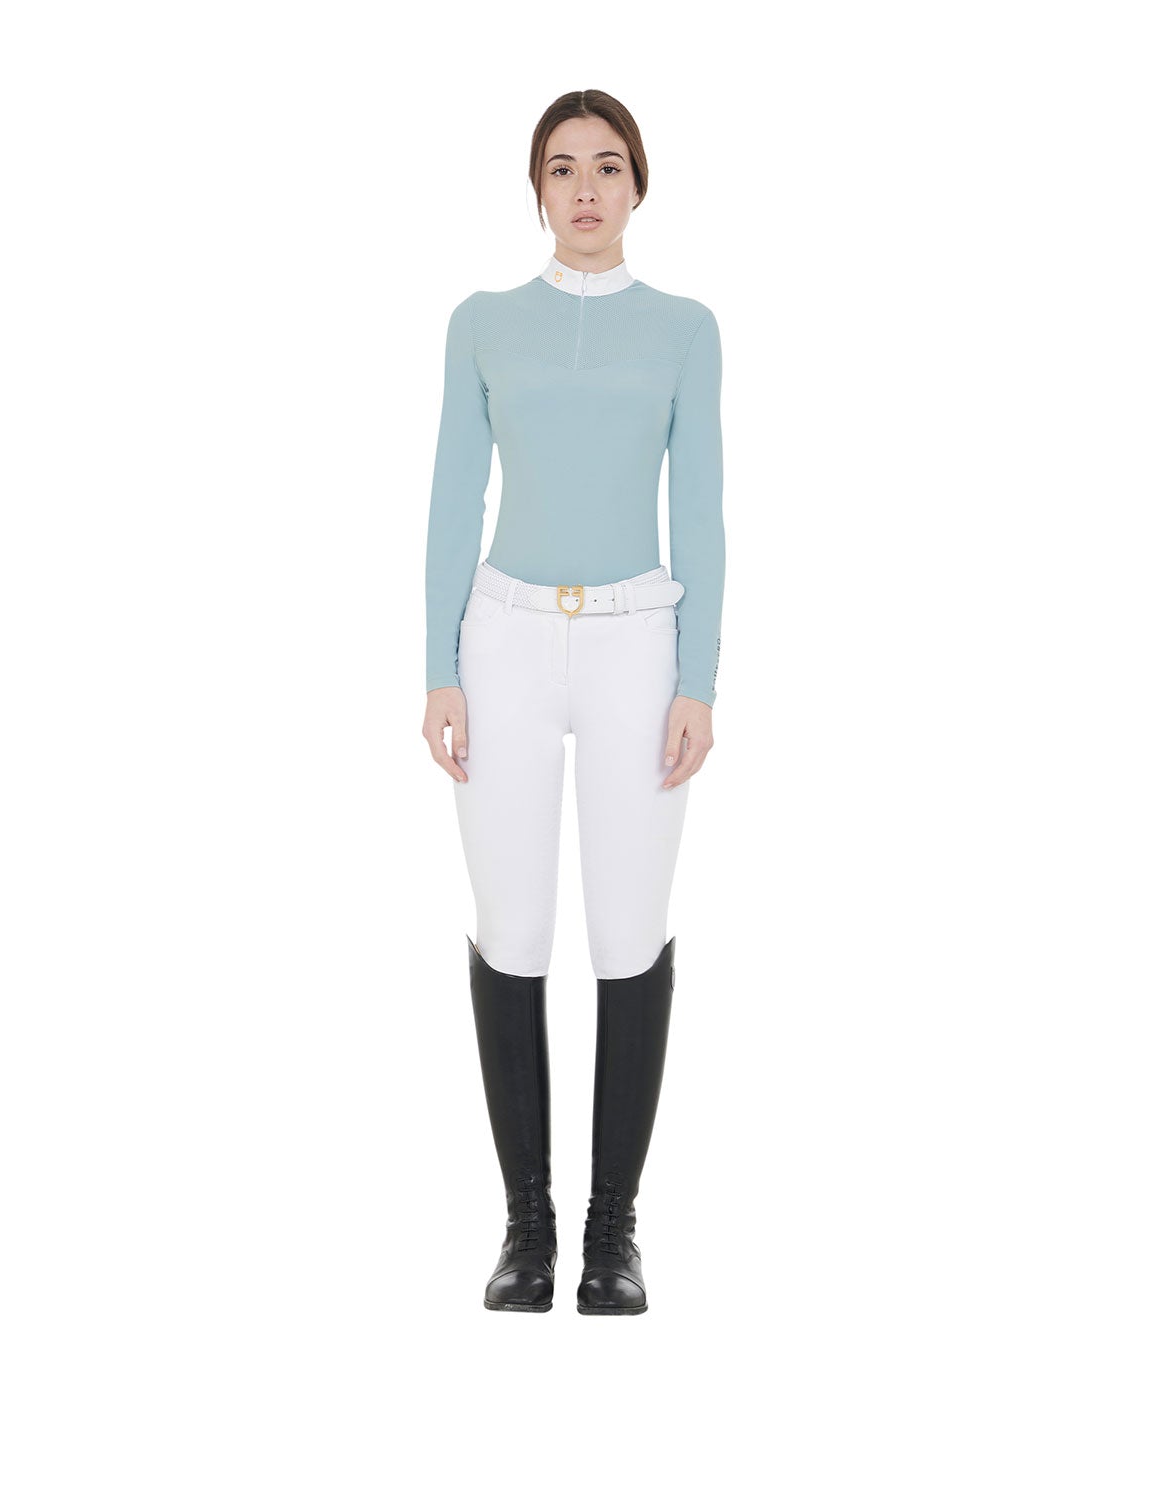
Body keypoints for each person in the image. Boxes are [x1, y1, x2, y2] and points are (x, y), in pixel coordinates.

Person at [421, 89, 725, 1315]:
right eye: (562, 167)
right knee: (512, 926)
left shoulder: (686, 330)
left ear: (638, 185)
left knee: (628, 929)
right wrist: (438, 665)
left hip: (636, 638)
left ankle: (613, 1234)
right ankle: (526, 1230)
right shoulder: (482, 324)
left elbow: (701, 508)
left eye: (607, 166)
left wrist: (698, 678)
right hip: (502, 636)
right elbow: (454, 495)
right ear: (537, 188)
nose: (585, 189)